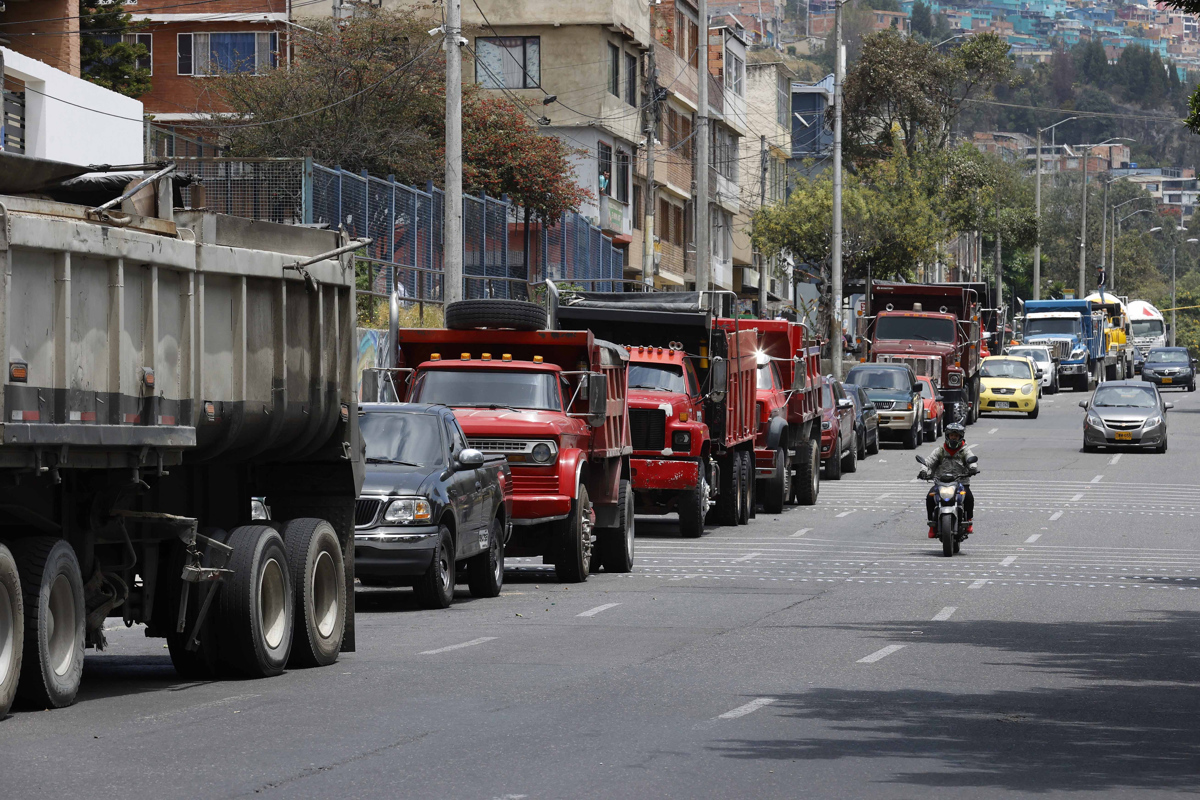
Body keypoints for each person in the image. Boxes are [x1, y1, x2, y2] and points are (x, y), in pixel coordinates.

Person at [921, 422, 974, 537]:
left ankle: (969, 521)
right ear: (947, 436)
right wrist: (923, 470)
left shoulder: (965, 450)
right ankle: (932, 525)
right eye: (951, 435)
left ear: (960, 437)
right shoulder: (940, 450)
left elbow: (971, 459)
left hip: (961, 482)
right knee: (930, 497)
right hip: (941, 482)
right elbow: (928, 461)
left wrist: (973, 468)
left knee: (969, 497)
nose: (954, 438)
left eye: (956, 436)